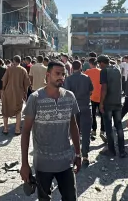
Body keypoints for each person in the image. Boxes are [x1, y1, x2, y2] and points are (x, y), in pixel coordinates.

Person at [20, 61, 81, 200]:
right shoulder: (35, 98)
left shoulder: (69, 97)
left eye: (63, 74)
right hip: (43, 163)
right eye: (57, 74)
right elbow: (25, 132)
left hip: (65, 161)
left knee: (71, 198)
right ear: (48, 75)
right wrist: (24, 163)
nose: (61, 77)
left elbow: (73, 126)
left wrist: (78, 153)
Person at [64, 60, 93, 167]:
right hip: (85, 106)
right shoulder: (86, 77)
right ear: (81, 67)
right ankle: (85, 155)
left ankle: (75, 154)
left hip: (73, 108)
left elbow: (65, 94)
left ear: (72, 68)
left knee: (73, 131)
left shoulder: (68, 79)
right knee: (86, 131)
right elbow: (91, 91)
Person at [98, 55, 127, 158]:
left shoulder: (104, 71)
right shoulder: (117, 68)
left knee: (109, 127)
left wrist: (101, 103)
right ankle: (122, 151)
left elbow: (104, 88)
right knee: (119, 126)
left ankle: (111, 150)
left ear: (101, 63)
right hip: (118, 101)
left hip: (108, 103)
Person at [1, 56, 30, 135]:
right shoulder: (23, 70)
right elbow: (26, 84)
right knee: (18, 111)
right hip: (19, 93)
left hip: (8, 92)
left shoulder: (9, 69)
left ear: (14, 61)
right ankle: (17, 129)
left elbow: (4, 81)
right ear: (20, 61)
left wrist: (3, 91)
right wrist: (25, 93)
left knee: (5, 110)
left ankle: (5, 128)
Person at [84, 57, 104, 141]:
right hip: (101, 96)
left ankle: (94, 130)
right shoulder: (102, 72)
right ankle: (102, 130)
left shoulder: (87, 72)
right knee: (102, 114)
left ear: (90, 63)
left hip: (91, 96)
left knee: (92, 115)